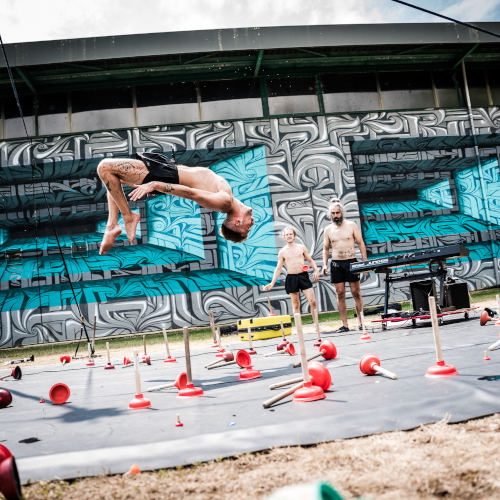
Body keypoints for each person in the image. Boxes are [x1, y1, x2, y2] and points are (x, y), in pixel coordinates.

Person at [96, 152, 254, 254]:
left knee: (104, 168)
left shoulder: (224, 203)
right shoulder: (232, 200)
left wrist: (156, 185)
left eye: (248, 228)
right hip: (168, 171)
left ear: (237, 222)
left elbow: (191, 193)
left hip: (167, 176)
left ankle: (126, 217)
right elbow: (242, 211)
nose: (252, 223)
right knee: (115, 179)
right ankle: (112, 224)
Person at [321, 198, 368, 333]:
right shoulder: (328, 229)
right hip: (336, 263)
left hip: (351, 261)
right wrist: (324, 264)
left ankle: (361, 322)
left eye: (337, 213)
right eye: (333, 213)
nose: (336, 216)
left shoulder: (351, 225)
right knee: (340, 293)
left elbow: (360, 242)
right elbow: (325, 248)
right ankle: (345, 324)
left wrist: (364, 261)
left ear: (342, 213)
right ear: (330, 215)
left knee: (356, 292)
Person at [263, 226, 320, 332]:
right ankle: (299, 328)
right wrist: (272, 282)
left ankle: (316, 325)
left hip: (303, 276)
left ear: (294, 236)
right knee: (296, 303)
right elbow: (278, 268)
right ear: (284, 237)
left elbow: (310, 260)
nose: (289, 236)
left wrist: (316, 270)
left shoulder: (301, 247)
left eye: (290, 234)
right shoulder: (282, 252)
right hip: (291, 278)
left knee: (312, 301)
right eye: (286, 234)